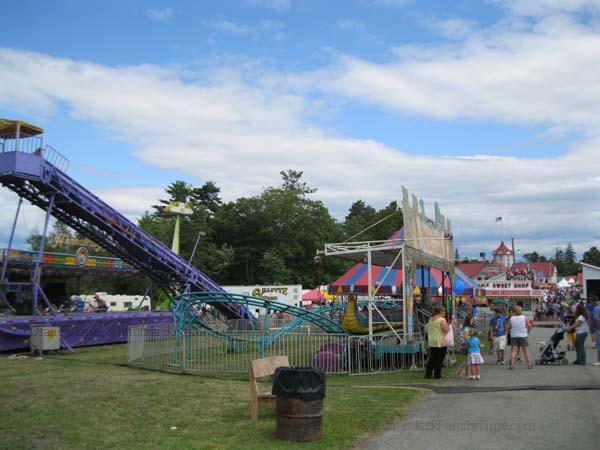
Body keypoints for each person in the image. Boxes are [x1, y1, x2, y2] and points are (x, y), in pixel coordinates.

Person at [424, 305, 450, 379]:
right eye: (444, 311)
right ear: (441, 312)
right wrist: (448, 327)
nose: (445, 313)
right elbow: (445, 329)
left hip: (432, 341)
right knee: (439, 359)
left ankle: (428, 374)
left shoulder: (431, 319)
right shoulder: (441, 320)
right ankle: (437, 375)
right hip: (440, 341)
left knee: (432, 358)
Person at [506, 305, 532, 369]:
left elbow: (507, 327)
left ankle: (512, 364)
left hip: (514, 336)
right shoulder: (524, 317)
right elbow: (529, 326)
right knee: (525, 351)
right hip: (523, 335)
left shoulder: (511, 318)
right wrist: (527, 332)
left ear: (514, 311)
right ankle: (529, 364)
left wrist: (510, 332)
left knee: (513, 351)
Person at [592, 299, 600, 366]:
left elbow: (596, 319)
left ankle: (599, 360)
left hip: (599, 329)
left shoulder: (596, 308)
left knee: (599, 345)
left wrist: (596, 328)